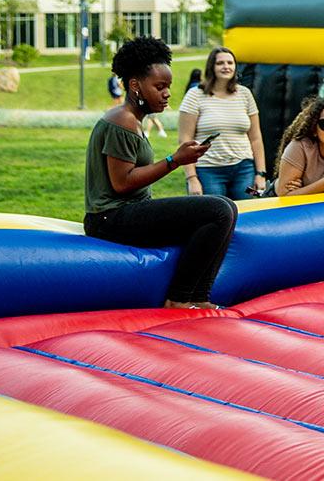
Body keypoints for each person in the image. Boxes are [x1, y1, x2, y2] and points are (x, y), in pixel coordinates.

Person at [83, 36, 235, 309]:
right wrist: (175, 160)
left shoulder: (134, 120)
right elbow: (121, 183)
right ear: (135, 85)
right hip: (109, 219)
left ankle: (199, 297)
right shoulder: (122, 120)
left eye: (168, 87)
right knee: (217, 211)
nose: (167, 93)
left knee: (226, 207)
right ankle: (179, 298)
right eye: (159, 87)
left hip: (128, 212)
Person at [178, 47, 269, 200]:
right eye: (220, 63)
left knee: (246, 213)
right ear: (211, 67)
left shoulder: (245, 94)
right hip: (208, 171)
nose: (226, 66)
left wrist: (260, 174)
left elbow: (256, 138)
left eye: (230, 63)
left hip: (244, 169)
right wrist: (192, 178)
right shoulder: (195, 95)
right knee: (214, 216)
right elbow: (185, 140)